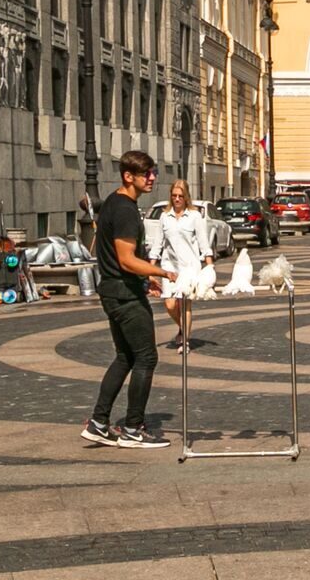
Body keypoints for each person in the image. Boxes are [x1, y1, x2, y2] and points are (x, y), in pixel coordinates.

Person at [82, 151, 176, 450]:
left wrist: (144, 277)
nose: (152, 178)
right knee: (146, 358)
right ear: (128, 176)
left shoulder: (114, 202)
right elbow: (126, 259)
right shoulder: (124, 209)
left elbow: (118, 257)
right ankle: (133, 429)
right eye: (146, 173)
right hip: (124, 295)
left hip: (114, 289)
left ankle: (98, 423)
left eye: (153, 172)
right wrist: (162, 272)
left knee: (125, 357)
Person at [153, 179, 212, 354]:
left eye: (180, 196)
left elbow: (204, 244)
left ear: (186, 198)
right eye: (174, 196)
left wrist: (209, 269)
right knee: (170, 304)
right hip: (169, 267)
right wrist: (151, 270)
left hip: (189, 268)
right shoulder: (164, 216)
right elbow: (157, 245)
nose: (177, 199)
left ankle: (184, 341)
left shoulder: (195, 216)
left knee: (184, 304)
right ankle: (183, 327)